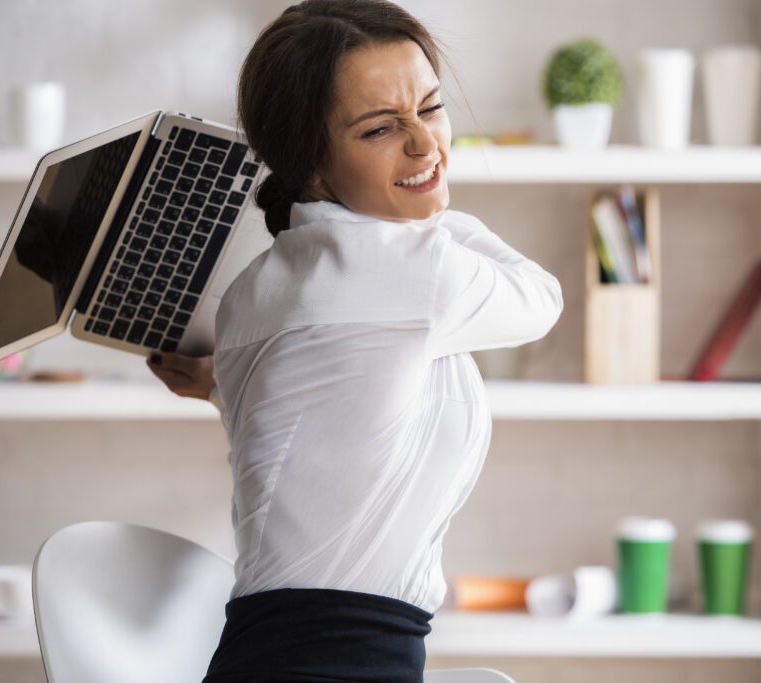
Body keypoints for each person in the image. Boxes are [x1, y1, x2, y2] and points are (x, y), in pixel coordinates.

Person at [146, 1, 563, 681]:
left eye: (430, 108)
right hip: (346, 660)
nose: (424, 143)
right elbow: (541, 299)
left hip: (262, 652)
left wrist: (221, 384)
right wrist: (434, 214)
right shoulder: (416, 268)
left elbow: (318, 430)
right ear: (311, 166)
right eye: (379, 129)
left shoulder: (257, 286)